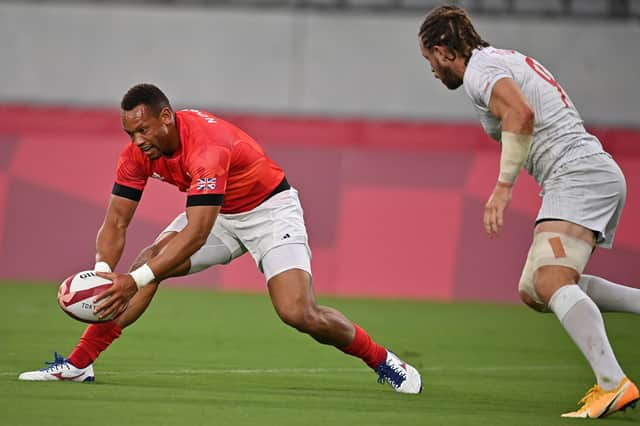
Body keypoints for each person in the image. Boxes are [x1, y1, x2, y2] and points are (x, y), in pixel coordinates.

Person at [18, 83, 422, 394]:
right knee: (149, 260)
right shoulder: (138, 154)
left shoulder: (206, 148)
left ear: (166, 117)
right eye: (129, 132)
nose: (136, 140)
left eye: (142, 129)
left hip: (269, 210)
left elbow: (195, 233)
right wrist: (104, 273)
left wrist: (134, 281)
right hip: (219, 210)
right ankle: (79, 363)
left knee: (299, 313)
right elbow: (116, 222)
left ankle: (383, 359)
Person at [418, 5, 638, 418]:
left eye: (428, 58)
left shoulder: (479, 72)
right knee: (536, 290)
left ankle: (613, 384)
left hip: (578, 174)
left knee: (551, 278)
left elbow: (521, 114)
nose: (431, 69)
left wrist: (503, 189)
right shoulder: (501, 59)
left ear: (444, 51)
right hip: (578, 174)